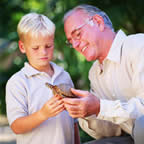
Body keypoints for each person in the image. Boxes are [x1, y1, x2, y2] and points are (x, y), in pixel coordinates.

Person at [63, 4, 144, 144]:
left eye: (77, 34)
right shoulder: (94, 73)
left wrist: (100, 106)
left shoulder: (138, 45)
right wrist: (86, 112)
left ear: (98, 22)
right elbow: (112, 131)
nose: (75, 45)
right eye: (71, 42)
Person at [6, 13, 80, 144]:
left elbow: (73, 121)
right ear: (22, 47)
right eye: (35, 48)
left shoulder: (64, 76)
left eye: (48, 46)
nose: (43, 53)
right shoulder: (18, 82)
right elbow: (16, 126)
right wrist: (42, 114)